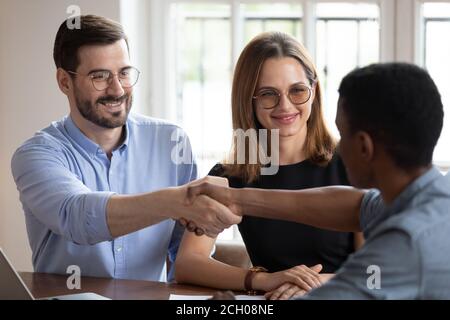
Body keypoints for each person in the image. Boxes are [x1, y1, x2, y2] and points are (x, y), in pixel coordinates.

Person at [187, 62, 450, 299]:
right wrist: (236, 199)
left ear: (363, 147)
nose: (338, 145)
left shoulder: (405, 242)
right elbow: (354, 205)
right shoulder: (431, 198)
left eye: (342, 132)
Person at [10, 15, 240, 282]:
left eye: (124, 73)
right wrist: (176, 201)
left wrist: (255, 281)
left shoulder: (171, 142)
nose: (117, 89)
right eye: (100, 76)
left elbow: (183, 257)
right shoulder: (36, 155)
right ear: (64, 81)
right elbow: (77, 217)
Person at [175, 32, 363, 299]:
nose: (285, 106)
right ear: (248, 99)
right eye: (267, 94)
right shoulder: (229, 177)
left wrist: (314, 283)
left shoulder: (354, 163)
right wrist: (263, 279)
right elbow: (187, 264)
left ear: (314, 92)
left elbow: (379, 272)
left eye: (297, 90)